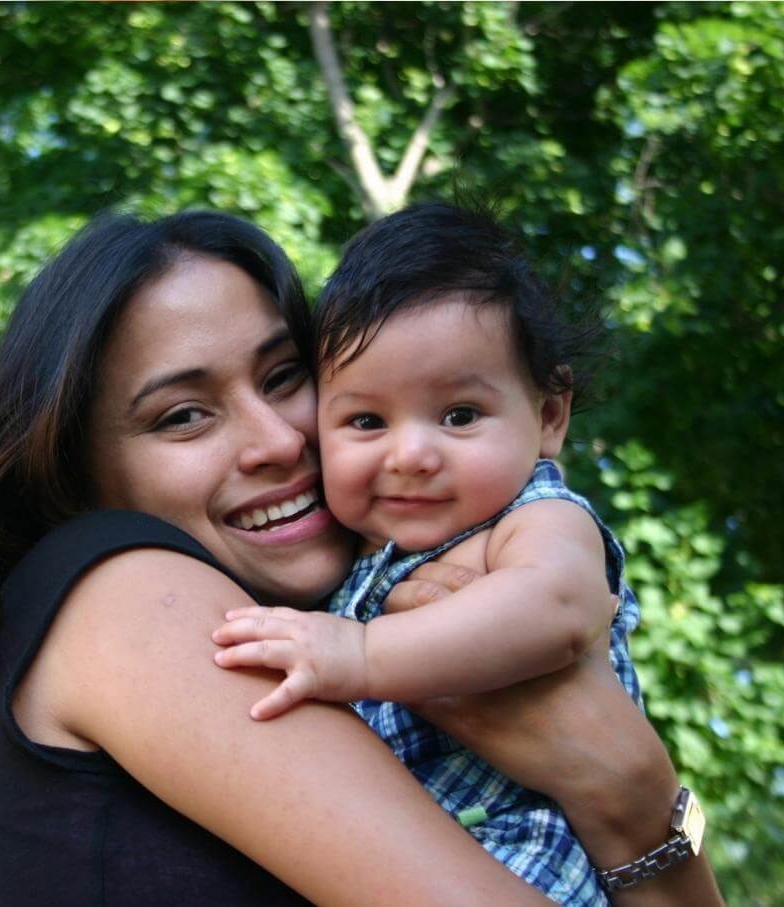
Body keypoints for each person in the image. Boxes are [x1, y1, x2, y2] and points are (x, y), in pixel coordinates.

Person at [0, 209, 721, 906]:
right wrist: (631, 793)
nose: (276, 440)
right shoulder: (122, 586)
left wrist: (636, 804)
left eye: (285, 375)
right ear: (81, 478)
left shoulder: (440, 578)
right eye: (183, 414)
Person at [212, 203, 716, 904]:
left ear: (548, 414)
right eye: (365, 420)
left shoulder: (539, 516)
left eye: (459, 415)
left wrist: (360, 654)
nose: (411, 454)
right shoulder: (349, 559)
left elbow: (557, 606)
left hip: (529, 848)